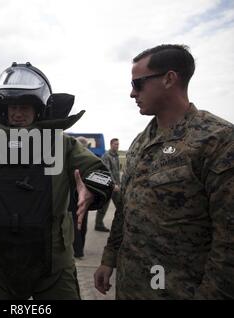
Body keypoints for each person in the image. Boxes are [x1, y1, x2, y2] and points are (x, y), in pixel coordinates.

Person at [0, 62, 113, 299]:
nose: (17, 114)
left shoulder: (62, 145)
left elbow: (98, 172)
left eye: (24, 107)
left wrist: (93, 189)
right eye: (12, 107)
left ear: (39, 110)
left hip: (53, 262)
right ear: (3, 109)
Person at [94, 44, 234, 299]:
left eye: (138, 84)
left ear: (169, 79)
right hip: (130, 286)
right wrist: (109, 259)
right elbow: (126, 208)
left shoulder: (217, 140)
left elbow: (228, 241)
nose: (131, 93)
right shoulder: (140, 142)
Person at [94, 138, 122, 232]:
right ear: (111, 145)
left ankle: (121, 225)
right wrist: (113, 185)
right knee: (103, 206)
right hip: (108, 186)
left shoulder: (117, 156)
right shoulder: (106, 156)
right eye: (115, 144)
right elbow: (107, 172)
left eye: (118, 144)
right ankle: (98, 225)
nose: (117, 146)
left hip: (116, 185)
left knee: (120, 205)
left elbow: (117, 171)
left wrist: (119, 183)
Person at [70, 136, 90, 259]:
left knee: (75, 224)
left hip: (74, 197)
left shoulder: (73, 159)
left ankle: (77, 251)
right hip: (85, 197)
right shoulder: (88, 159)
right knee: (82, 224)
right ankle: (80, 249)